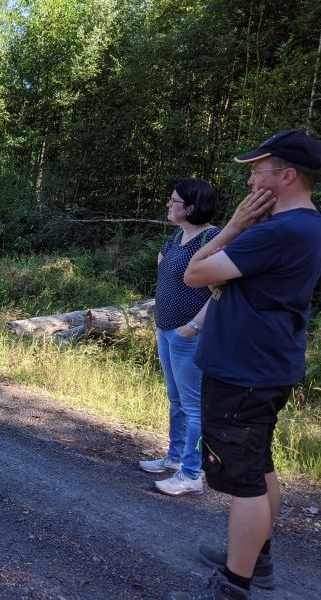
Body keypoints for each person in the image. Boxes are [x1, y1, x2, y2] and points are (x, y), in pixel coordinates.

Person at [167, 129, 321, 600]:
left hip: (243, 371)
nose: (251, 182)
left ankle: (235, 585)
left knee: (246, 480)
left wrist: (232, 228)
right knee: (260, 464)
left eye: (258, 172)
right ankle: (256, 558)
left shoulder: (277, 231)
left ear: (287, 176)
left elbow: (193, 274)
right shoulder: (310, 226)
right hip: (268, 365)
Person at [139, 179, 219, 496]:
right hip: (166, 328)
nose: (168, 205)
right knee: (176, 400)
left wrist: (195, 326)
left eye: (173, 201)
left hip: (190, 334)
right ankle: (174, 458)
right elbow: (163, 269)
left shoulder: (212, 238)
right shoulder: (176, 236)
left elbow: (222, 290)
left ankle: (191, 473)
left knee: (193, 406)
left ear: (190, 207)